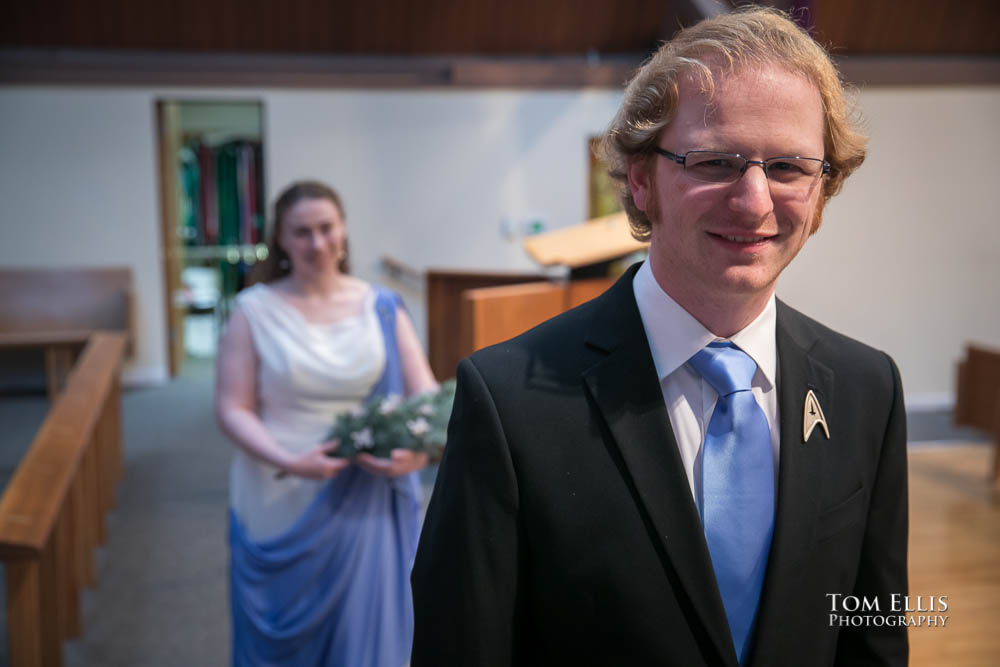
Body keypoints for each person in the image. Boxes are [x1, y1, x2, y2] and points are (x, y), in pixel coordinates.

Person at [411, 7, 907, 667]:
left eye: (788, 167)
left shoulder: (866, 389)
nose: (755, 199)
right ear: (641, 179)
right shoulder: (509, 401)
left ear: (822, 191)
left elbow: (872, 632)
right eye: (716, 160)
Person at [215, 180, 436, 665]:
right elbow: (233, 408)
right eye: (301, 232)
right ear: (281, 238)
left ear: (343, 231)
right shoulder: (253, 311)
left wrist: (416, 455)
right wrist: (290, 461)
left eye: (325, 229)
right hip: (279, 485)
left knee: (365, 637)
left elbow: (427, 399)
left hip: (367, 491)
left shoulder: (381, 306)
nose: (316, 243)